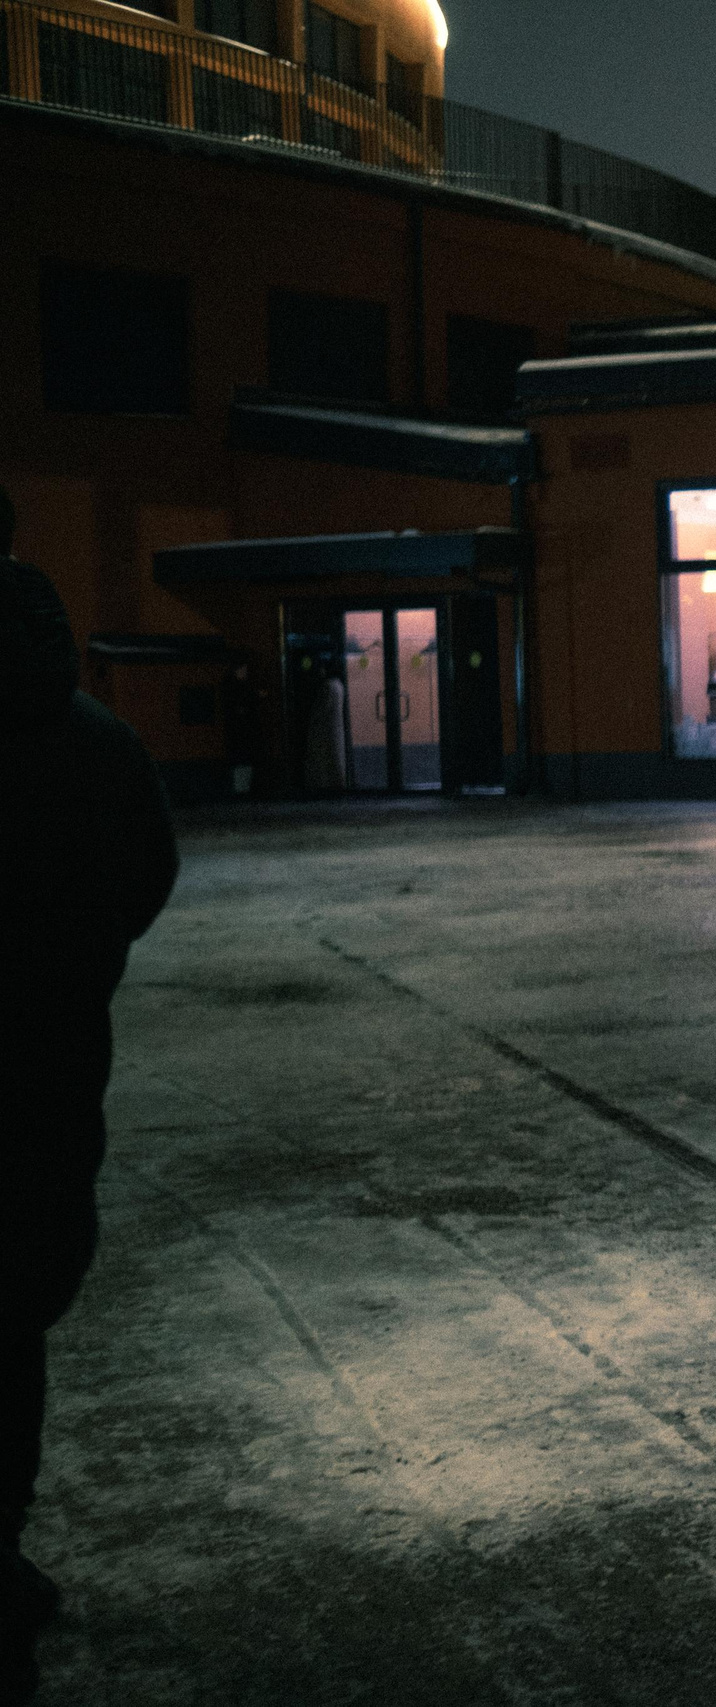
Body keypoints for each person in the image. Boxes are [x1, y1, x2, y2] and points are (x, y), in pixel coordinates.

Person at [0, 487, 180, 1705]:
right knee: (12, 1320)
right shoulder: (88, 736)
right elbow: (143, 876)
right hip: (39, 1076)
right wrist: (69, 973)